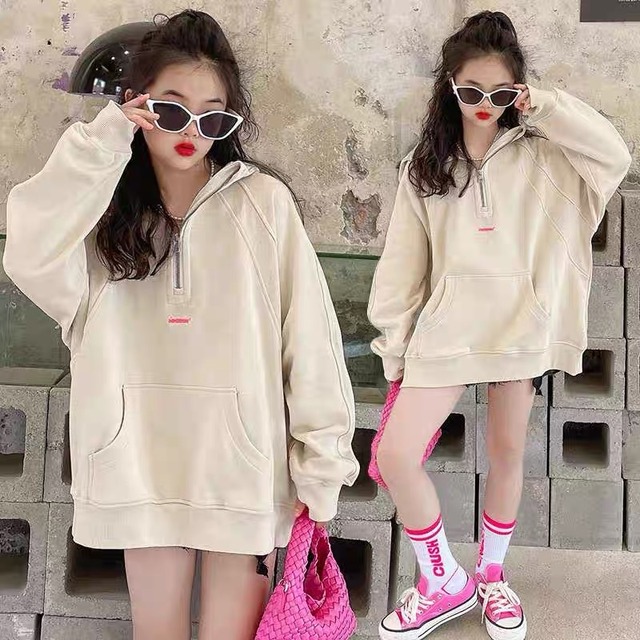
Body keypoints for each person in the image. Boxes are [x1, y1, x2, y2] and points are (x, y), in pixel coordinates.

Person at [3, 10, 359, 640]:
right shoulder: (98, 213)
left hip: (243, 475)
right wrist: (106, 139)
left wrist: (321, 463)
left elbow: (310, 342)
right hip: (140, 467)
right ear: (136, 106)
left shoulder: (264, 204)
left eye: (212, 116)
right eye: (170, 110)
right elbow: (29, 250)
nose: (192, 130)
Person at [368, 10, 631, 640]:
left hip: (520, 331)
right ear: (450, 88)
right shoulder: (425, 167)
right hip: (447, 333)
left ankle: (490, 577)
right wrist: (395, 347)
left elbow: (615, 154)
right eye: (471, 91)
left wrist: (545, 106)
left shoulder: (549, 159)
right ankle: (443, 580)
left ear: (519, 93)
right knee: (396, 455)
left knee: (508, 453)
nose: (485, 104)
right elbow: (403, 267)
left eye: (500, 92)